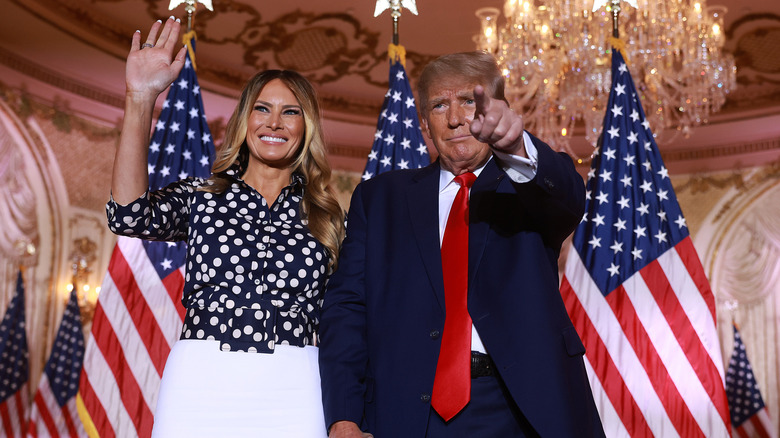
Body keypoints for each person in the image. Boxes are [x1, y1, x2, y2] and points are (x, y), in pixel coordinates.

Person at [319, 51, 605, 437]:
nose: (455, 118)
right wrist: (344, 416)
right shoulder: (379, 200)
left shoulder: (528, 183)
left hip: (521, 408)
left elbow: (569, 199)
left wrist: (517, 145)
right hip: (408, 411)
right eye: (440, 105)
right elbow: (347, 309)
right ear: (424, 122)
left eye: (469, 102)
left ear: (497, 109)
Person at [107, 17, 344, 437]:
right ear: (244, 120)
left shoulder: (326, 216)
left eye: (291, 112)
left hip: (296, 384)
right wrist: (140, 96)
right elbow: (127, 214)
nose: (274, 123)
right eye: (262, 109)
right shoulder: (203, 196)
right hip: (202, 380)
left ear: (306, 127)